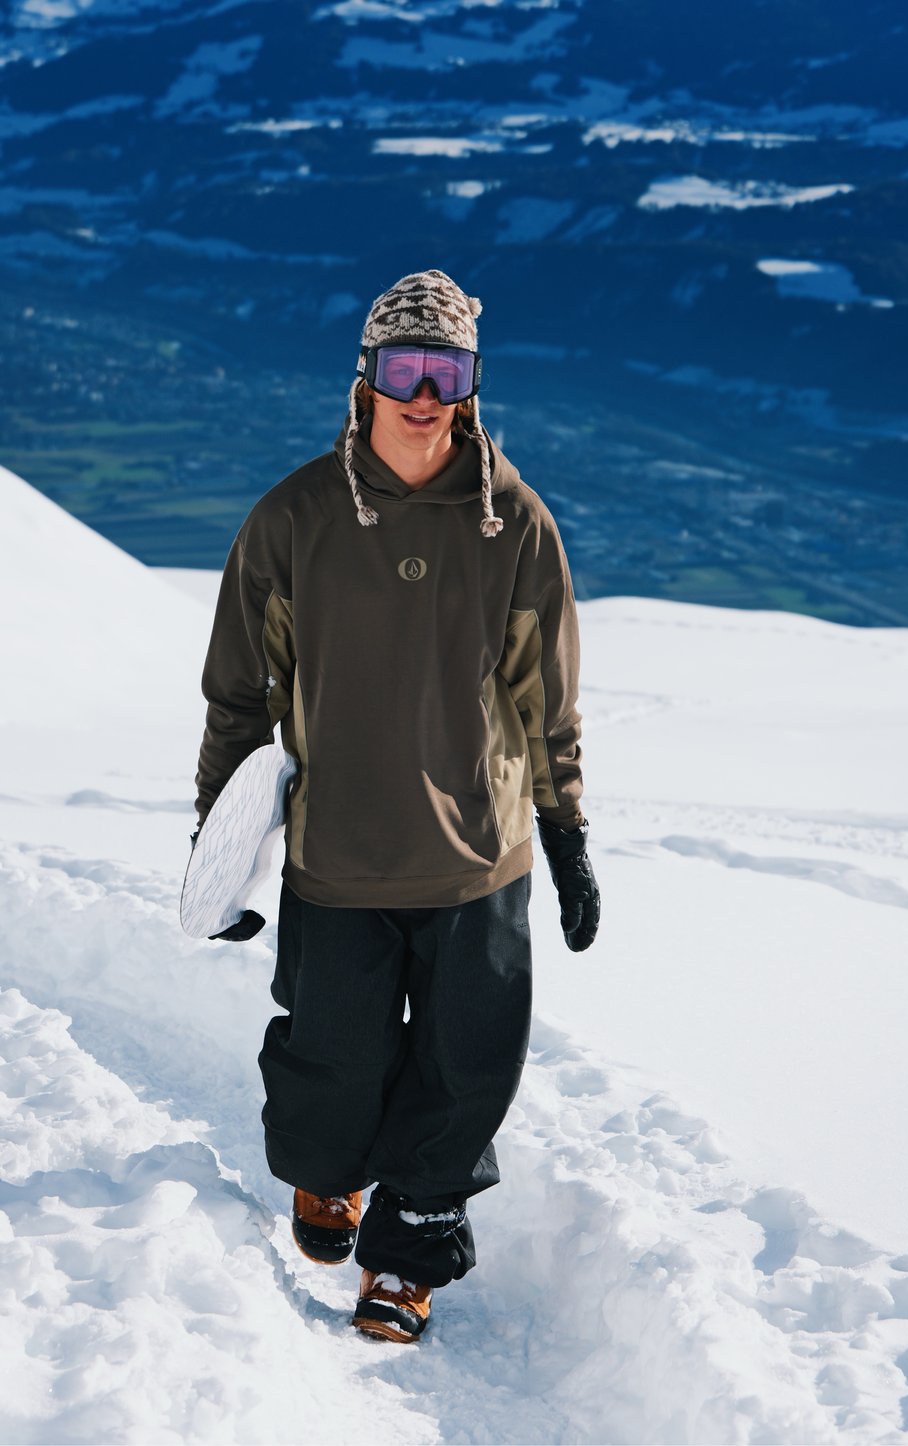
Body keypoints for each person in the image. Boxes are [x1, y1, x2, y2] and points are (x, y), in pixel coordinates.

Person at [193, 269, 600, 1344]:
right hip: (338, 849)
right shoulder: (295, 518)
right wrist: (218, 847)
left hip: (480, 855)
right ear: (366, 376)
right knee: (333, 1054)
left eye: (446, 373)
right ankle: (328, 1172)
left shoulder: (516, 523)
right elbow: (239, 695)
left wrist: (566, 834)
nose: (424, 395)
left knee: (468, 1068)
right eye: (404, 368)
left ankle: (408, 1253)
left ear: (471, 384)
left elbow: (547, 699)